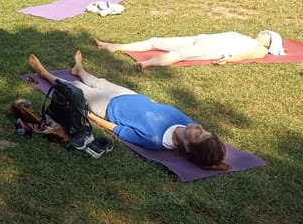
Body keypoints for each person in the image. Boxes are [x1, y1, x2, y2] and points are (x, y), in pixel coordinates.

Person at [28, 51, 228, 170]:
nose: (198, 126)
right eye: (204, 129)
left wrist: (91, 117)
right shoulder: (186, 123)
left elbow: (117, 130)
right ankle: (79, 70)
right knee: (100, 82)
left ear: (188, 147)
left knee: (78, 90)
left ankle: (45, 74)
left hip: (109, 108)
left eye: (199, 133)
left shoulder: (153, 140)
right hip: (132, 98)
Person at [95, 29, 286, 70]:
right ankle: (115, 47)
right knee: (155, 41)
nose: (263, 32)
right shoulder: (247, 38)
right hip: (202, 39)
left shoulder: (259, 49)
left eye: (267, 34)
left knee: (179, 55)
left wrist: (228, 59)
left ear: (270, 43)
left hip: (214, 48)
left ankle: (146, 64)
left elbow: (245, 56)